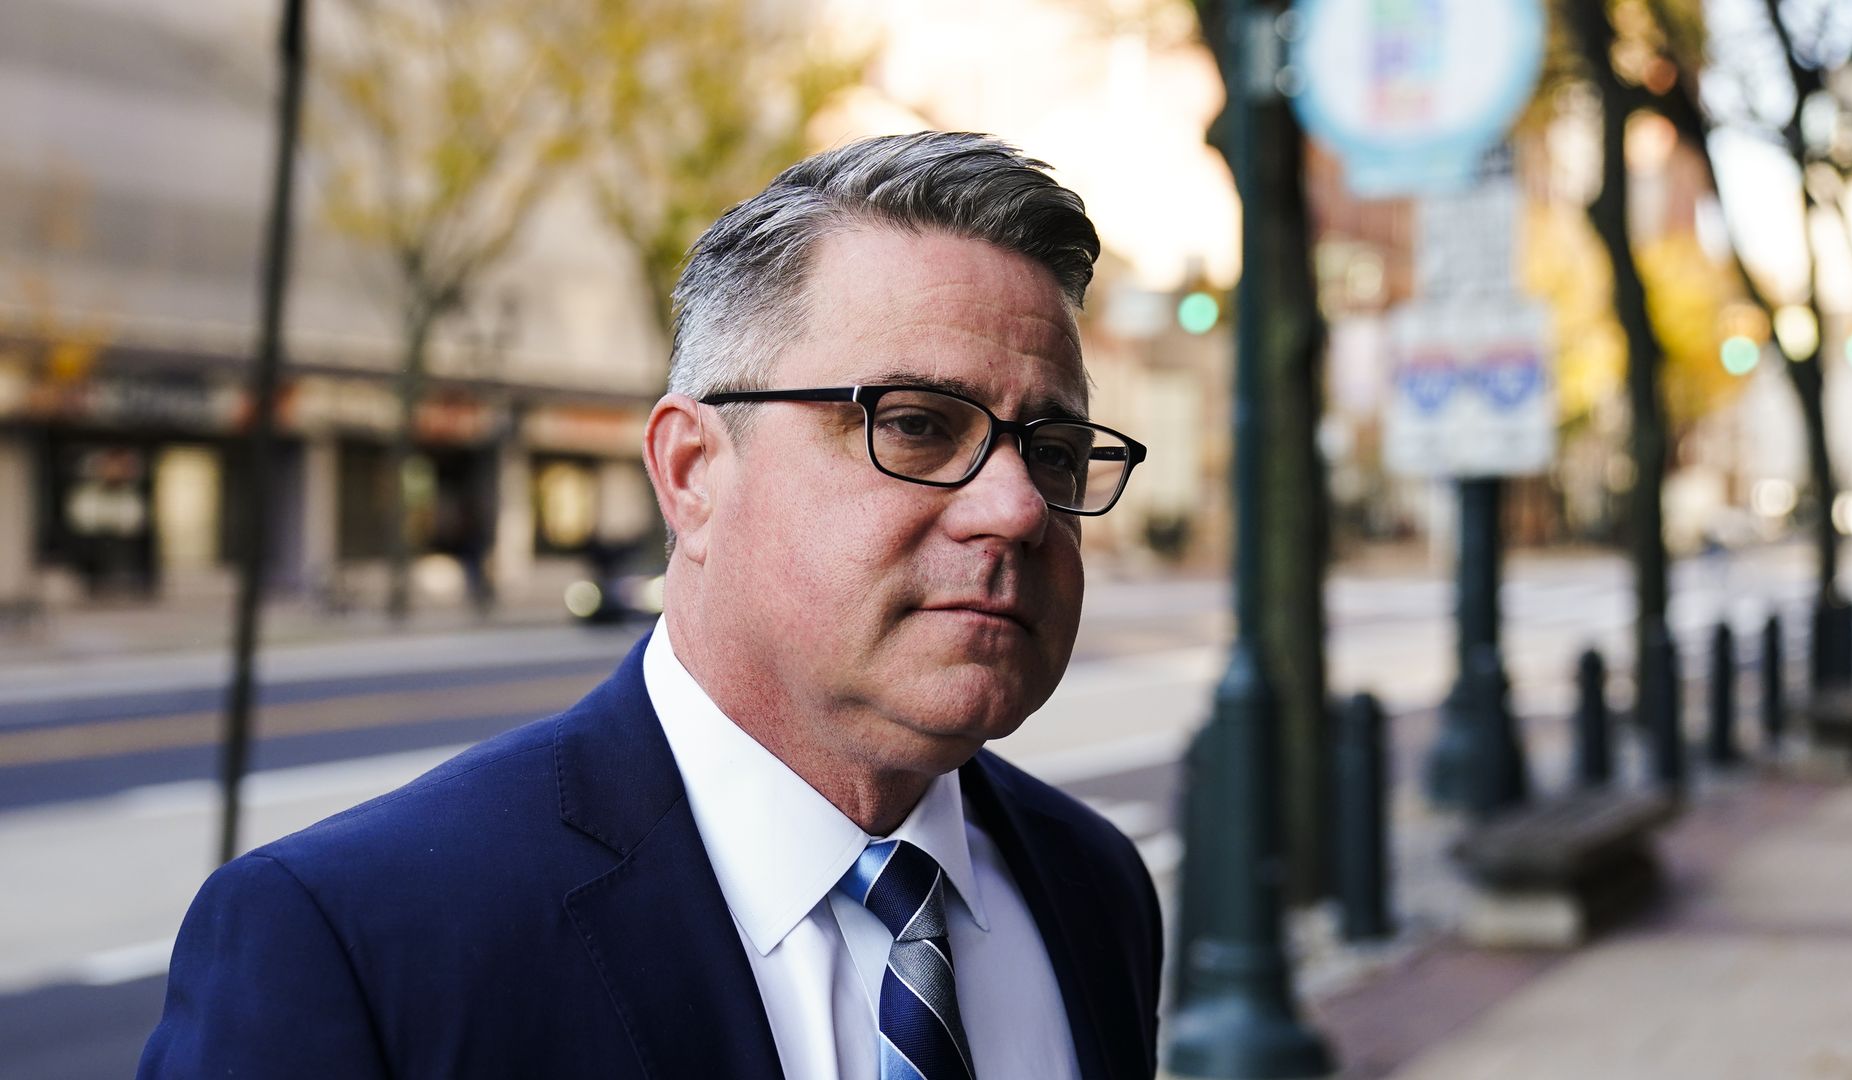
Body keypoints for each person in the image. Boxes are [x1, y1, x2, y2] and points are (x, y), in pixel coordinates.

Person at [141, 131, 1161, 1079]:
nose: (1019, 507)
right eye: (917, 426)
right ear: (692, 473)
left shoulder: (1093, 886)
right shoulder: (353, 941)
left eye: (1057, 451)